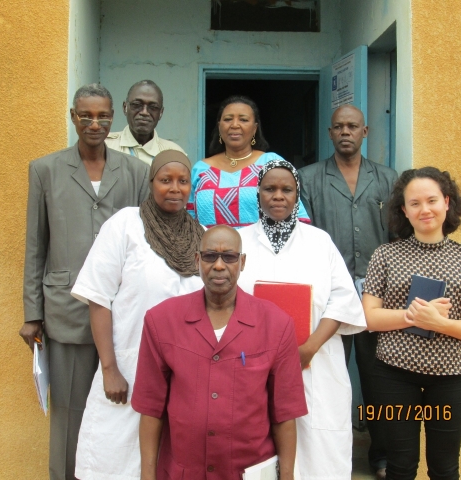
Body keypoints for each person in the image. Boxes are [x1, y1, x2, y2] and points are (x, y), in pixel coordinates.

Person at [20, 83, 149, 480]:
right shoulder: (45, 169)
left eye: (103, 116)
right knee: (69, 414)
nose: (95, 123)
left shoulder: (137, 172)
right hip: (66, 309)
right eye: (86, 115)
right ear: (72, 117)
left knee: (120, 411)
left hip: (120, 311)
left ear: (114, 118)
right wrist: (32, 313)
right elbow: (35, 244)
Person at [132, 225, 308, 480]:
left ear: (242, 262)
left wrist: (288, 477)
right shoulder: (161, 320)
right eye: (210, 256)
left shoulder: (277, 324)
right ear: (197, 260)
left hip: (250, 471)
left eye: (229, 257)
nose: (218, 265)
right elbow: (150, 409)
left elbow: (285, 414)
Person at [69, 150, 204, 479]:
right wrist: (110, 368)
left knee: (171, 458)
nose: (174, 188)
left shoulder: (201, 234)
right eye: (165, 180)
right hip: (129, 366)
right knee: (115, 457)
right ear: (151, 182)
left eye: (182, 181)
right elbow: (98, 297)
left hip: (185, 374)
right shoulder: (126, 225)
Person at [237, 160, 367, 480]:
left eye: (286, 189)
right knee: (256, 447)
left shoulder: (319, 242)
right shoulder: (239, 241)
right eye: (270, 189)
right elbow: (223, 301)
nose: (278, 196)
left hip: (314, 361)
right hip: (252, 363)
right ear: (258, 194)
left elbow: (342, 299)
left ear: (298, 195)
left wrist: (309, 348)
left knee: (319, 447)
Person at [362, 167, 461, 480]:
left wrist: (438, 322)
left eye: (432, 200)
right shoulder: (385, 255)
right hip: (393, 375)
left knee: (445, 469)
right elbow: (369, 317)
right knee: (400, 467)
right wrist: (411, 316)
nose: (425, 209)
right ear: (404, 210)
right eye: (414, 203)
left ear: (447, 202)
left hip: (452, 376)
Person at [299, 104, 397, 479]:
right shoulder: (308, 179)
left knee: (378, 377)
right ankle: (323, 455)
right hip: (329, 296)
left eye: (352, 126)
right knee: (328, 377)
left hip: (378, 295)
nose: (345, 132)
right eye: (338, 126)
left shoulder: (388, 179)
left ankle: (382, 455)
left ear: (365, 131)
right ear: (329, 132)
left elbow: (397, 237)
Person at [187, 95, 310, 228]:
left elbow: (296, 215)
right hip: (211, 248)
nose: (234, 125)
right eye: (228, 119)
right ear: (219, 126)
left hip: (264, 248)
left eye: (243, 120)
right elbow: (188, 220)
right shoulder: (201, 169)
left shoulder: (272, 163)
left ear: (255, 128)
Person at [106, 80, 186, 165]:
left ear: (161, 113)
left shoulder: (174, 155)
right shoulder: (105, 147)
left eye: (153, 107)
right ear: (125, 107)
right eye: (137, 105)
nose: (144, 112)